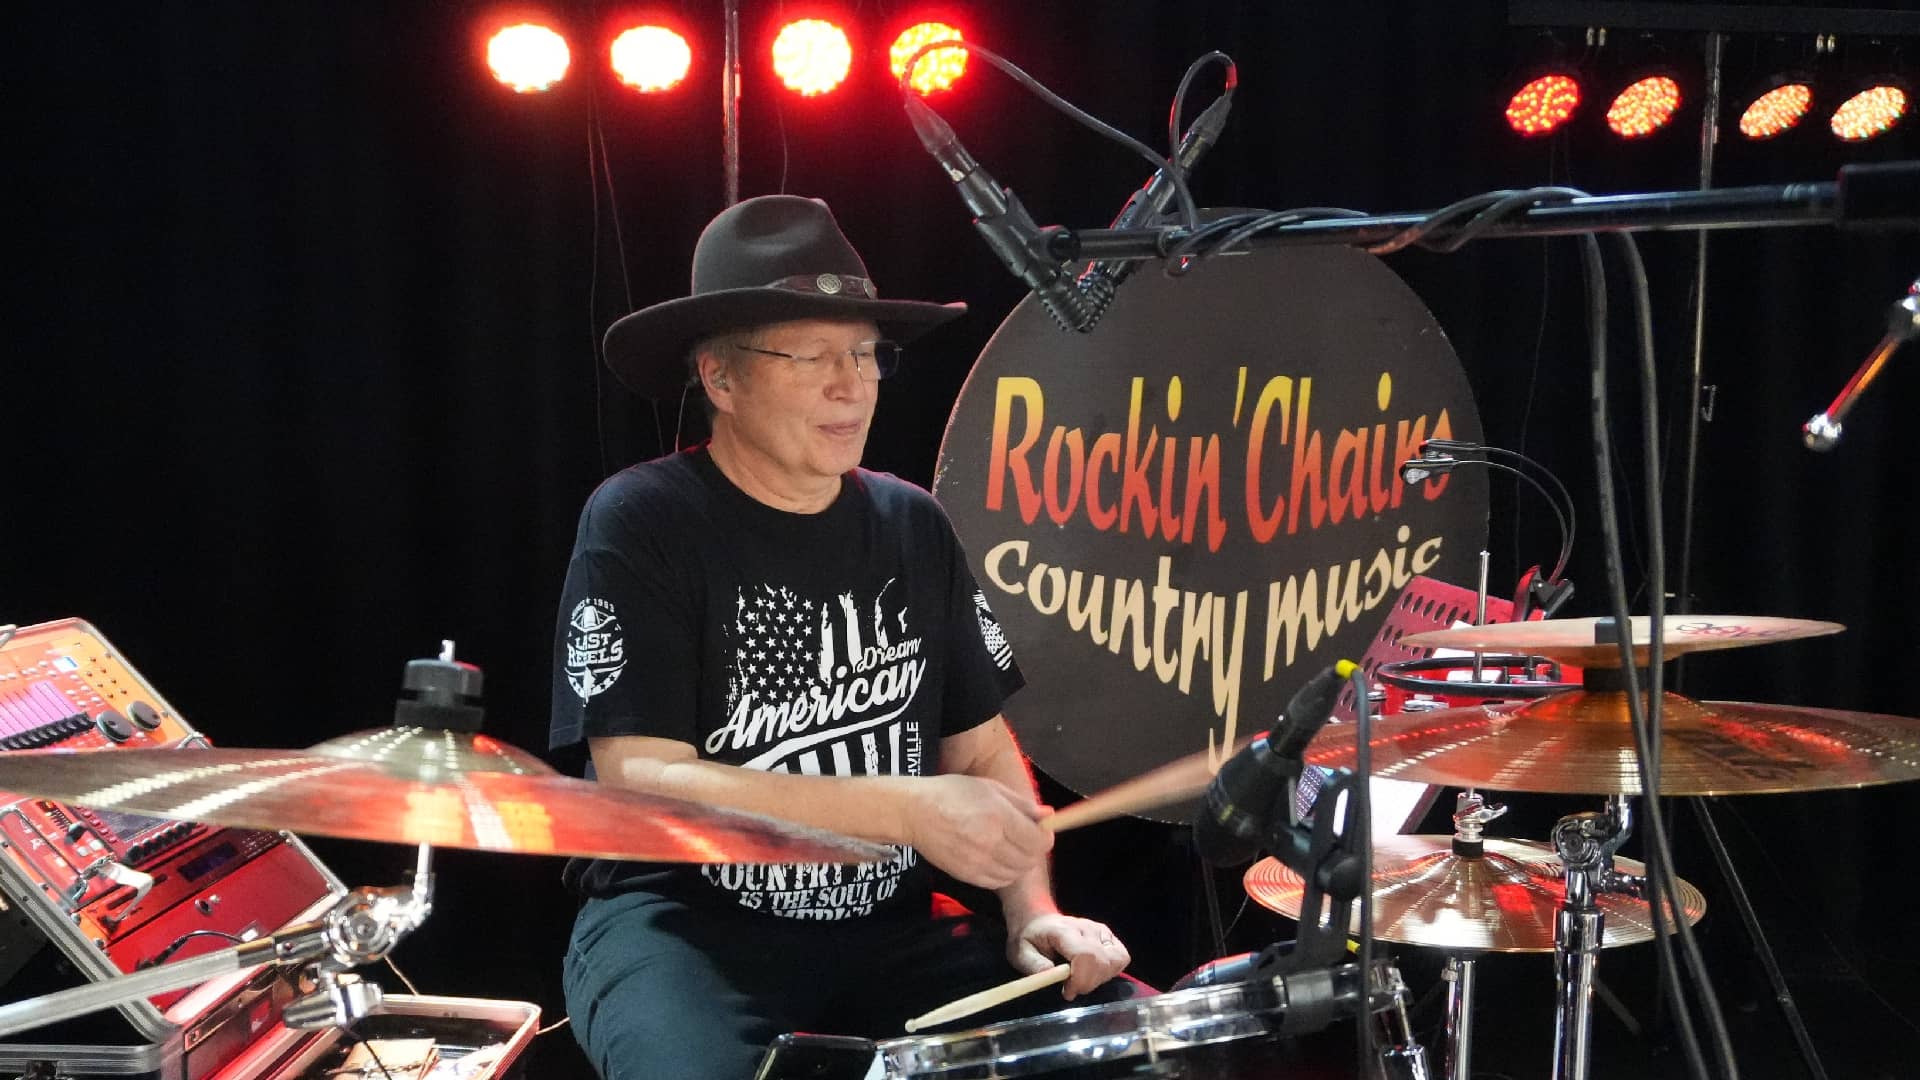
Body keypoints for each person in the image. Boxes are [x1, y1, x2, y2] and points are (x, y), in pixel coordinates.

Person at [550, 194, 1137, 1080]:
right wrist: (906, 808)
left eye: (865, 354)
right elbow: (643, 777)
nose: (851, 383)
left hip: (888, 931)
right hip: (688, 932)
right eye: (815, 355)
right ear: (720, 379)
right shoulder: (644, 520)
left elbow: (979, 755)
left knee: (1119, 1041)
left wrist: (1030, 911)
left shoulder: (911, 522)